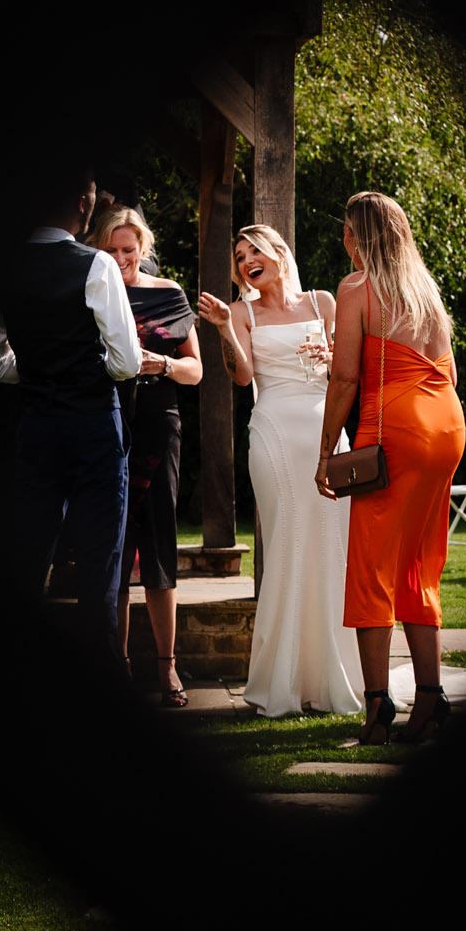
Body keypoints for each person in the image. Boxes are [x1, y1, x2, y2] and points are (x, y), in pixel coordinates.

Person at [316, 191, 466, 744]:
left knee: (373, 565)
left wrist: (326, 450)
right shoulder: (425, 289)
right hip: (446, 425)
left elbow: (346, 378)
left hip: (396, 427)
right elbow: (447, 371)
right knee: (419, 564)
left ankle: (378, 710)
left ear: (360, 236)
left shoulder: (356, 288)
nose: (342, 242)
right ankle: (431, 699)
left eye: (346, 231)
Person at [197, 224, 363, 717]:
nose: (247, 260)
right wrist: (227, 326)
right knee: (288, 545)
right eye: (239, 256)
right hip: (273, 432)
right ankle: (282, 682)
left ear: (278, 253)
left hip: (325, 431)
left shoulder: (323, 303)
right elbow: (242, 375)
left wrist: (332, 356)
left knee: (336, 548)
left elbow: (347, 370)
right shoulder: (243, 312)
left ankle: (338, 678)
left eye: (254, 250)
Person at [0, 172, 144, 658]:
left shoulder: (0, 270)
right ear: (83, 203)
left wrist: (35, 372)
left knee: (28, 559)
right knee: (99, 572)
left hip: (35, 428)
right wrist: (85, 371)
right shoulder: (95, 265)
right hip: (93, 427)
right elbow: (127, 362)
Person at [90, 205, 203, 708]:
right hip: (107, 424)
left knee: (158, 542)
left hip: (160, 423)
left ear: (144, 248)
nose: (120, 259)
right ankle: (118, 666)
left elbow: (196, 370)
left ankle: (167, 669)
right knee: (113, 543)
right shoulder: (89, 293)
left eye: (128, 250)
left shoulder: (171, 294)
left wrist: (164, 363)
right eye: (110, 251)